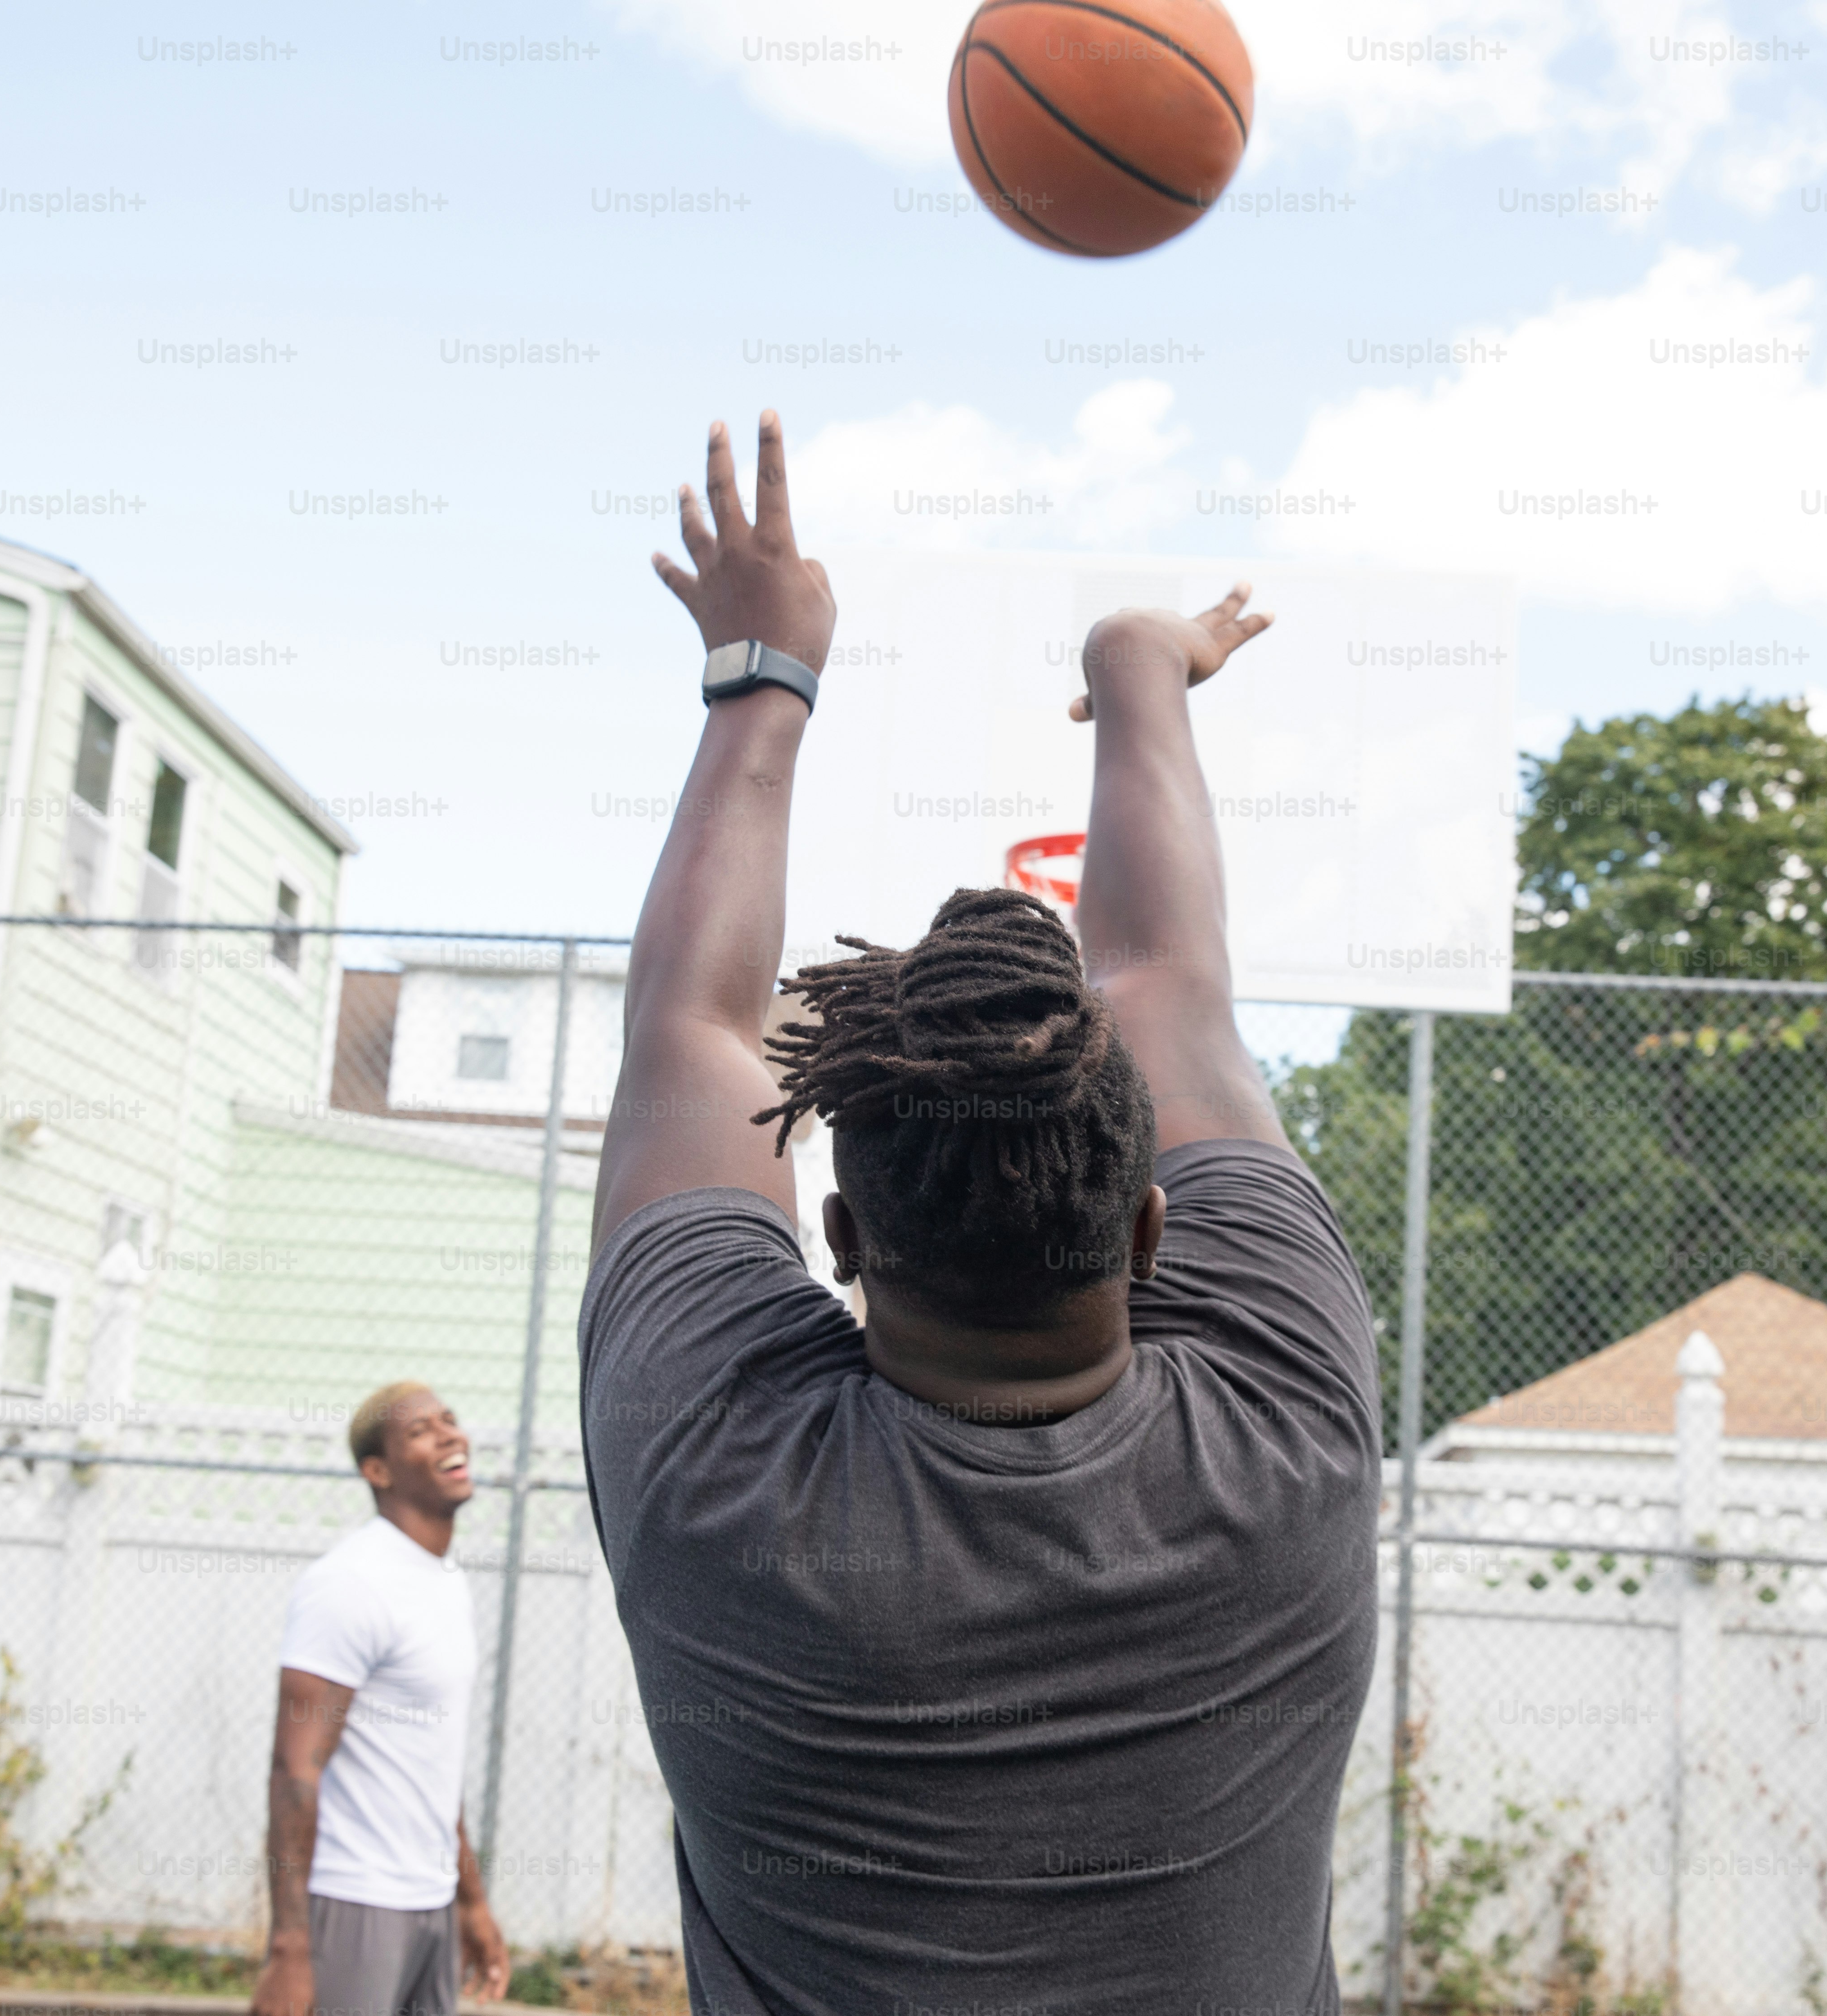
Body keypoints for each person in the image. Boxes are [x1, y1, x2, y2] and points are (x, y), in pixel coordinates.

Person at [581, 413, 1382, 2012]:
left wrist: (765, 673)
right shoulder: (1290, 1423)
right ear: (1148, 1234)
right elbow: (1168, 982)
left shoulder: (711, 1470)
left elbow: (692, 1027)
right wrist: (1136, 662)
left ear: (844, 1242)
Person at [253, 1381, 513, 2016]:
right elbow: (295, 1770)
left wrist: (471, 1902)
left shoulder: (445, 1583)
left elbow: (430, 1759)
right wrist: (289, 1949)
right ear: (379, 1471)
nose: (451, 1434)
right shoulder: (350, 1584)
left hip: (431, 1903)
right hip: (355, 1904)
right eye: (422, 1431)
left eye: (450, 1420)